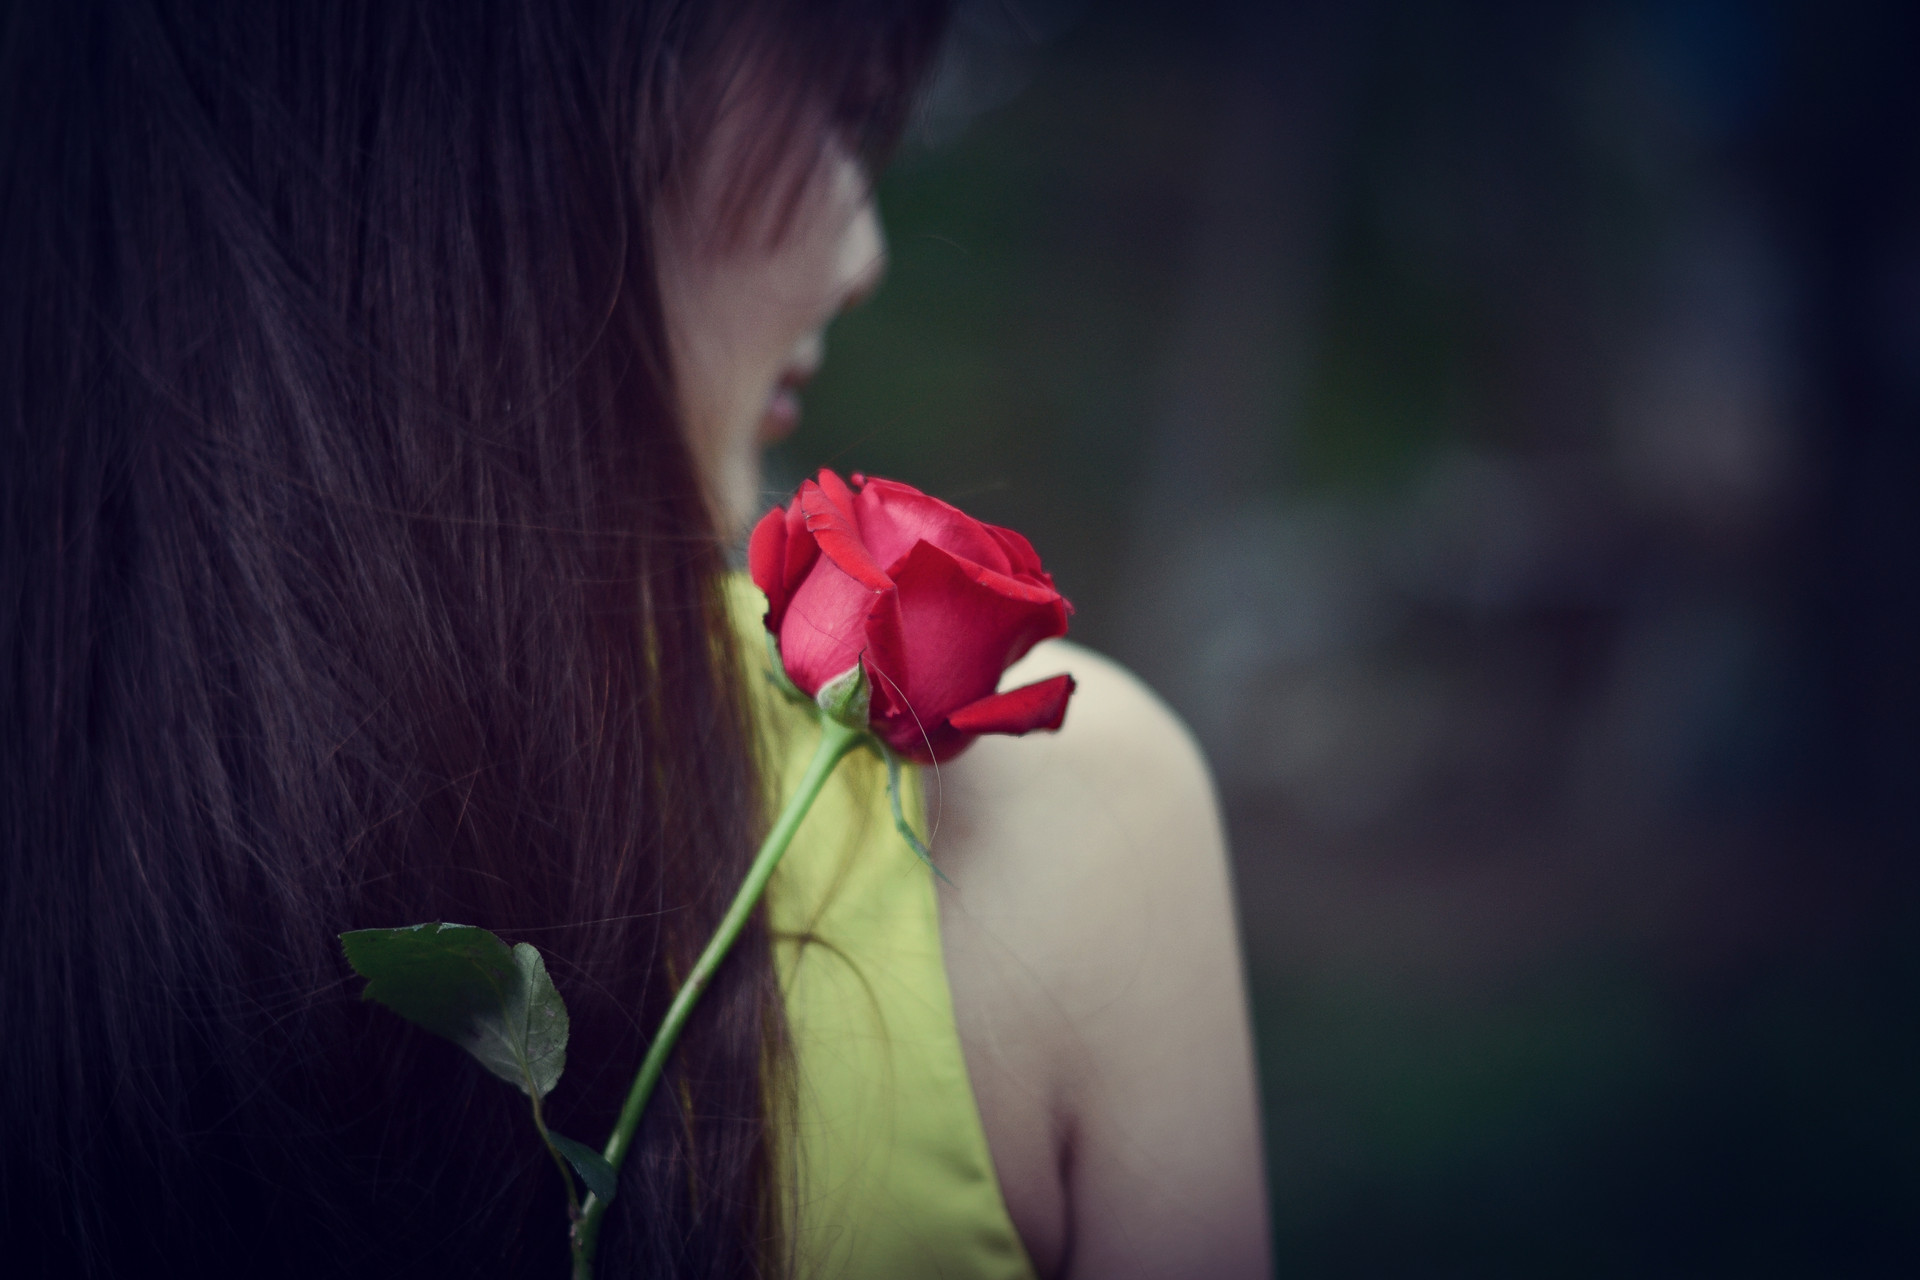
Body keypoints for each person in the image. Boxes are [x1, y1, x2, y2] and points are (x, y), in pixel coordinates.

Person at [0, 1, 1268, 1276]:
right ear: (522, 124)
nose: (866, 250)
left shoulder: (62, 816)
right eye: (835, 113)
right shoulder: (1075, 823)